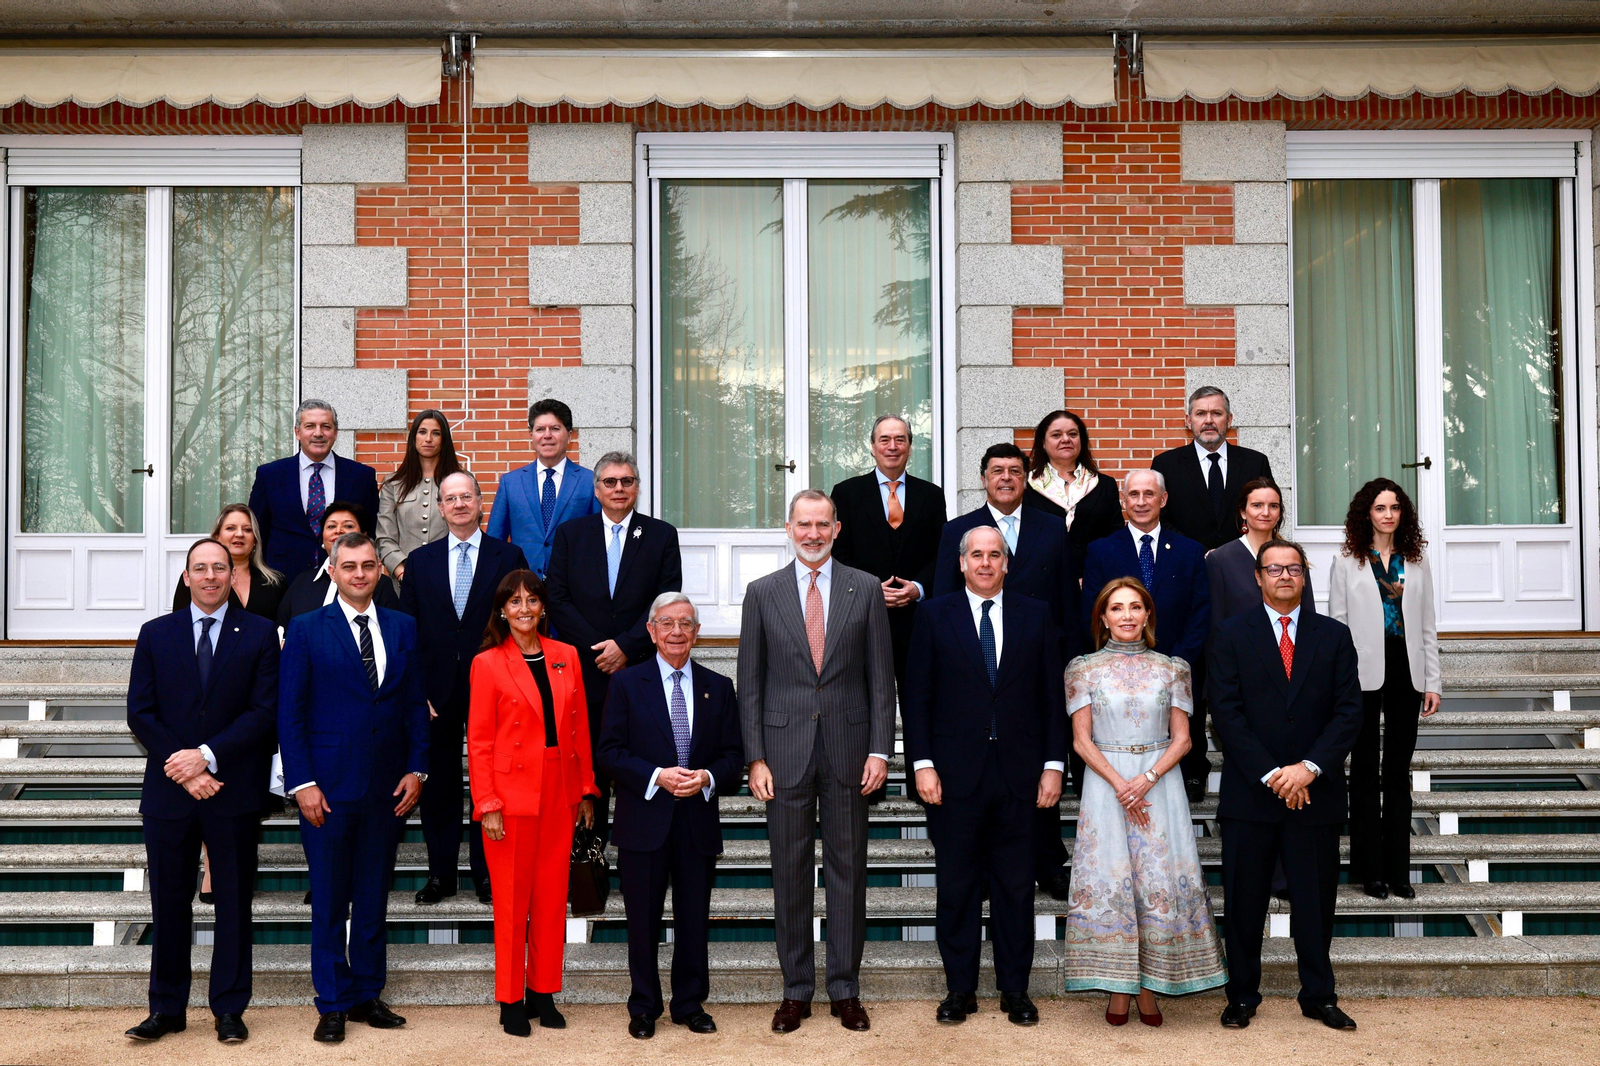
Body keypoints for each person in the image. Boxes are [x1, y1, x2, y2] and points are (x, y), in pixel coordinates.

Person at [738, 490, 896, 1034]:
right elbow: (749, 683)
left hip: (851, 752)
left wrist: (880, 749)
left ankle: (845, 990)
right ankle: (796, 990)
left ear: (836, 529)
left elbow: (881, 678)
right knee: (790, 872)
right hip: (783, 754)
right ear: (789, 529)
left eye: (821, 524)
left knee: (848, 872)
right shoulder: (762, 592)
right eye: (803, 524)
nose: (812, 533)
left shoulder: (865, 588)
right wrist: (755, 757)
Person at [902, 526, 1065, 1027]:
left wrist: (1054, 765)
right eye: (977, 554)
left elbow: (1051, 697)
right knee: (957, 887)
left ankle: (1015, 990)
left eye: (995, 554)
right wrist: (922, 764)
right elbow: (917, 696)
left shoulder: (1036, 614)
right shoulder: (933, 615)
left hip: (1021, 775)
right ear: (961, 562)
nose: (986, 563)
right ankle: (960, 990)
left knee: (1016, 888)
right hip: (954, 777)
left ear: (1007, 563)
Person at [124, 538, 280, 1045]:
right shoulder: (156, 633)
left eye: (219, 568)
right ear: (186, 577)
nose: (211, 576)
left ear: (233, 576)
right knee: (169, 904)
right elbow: (140, 712)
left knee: (233, 904)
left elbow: (264, 711)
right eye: (200, 568)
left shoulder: (259, 633)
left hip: (232, 788)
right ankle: (166, 1009)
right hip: (170, 791)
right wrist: (186, 767)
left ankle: (229, 1009)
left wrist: (207, 755)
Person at [278, 533, 429, 1044]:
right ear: (333, 570)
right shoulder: (306, 629)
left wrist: (418, 770)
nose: (360, 574)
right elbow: (290, 713)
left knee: (371, 896)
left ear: (380, 571)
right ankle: (332, 1002)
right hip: (326, 789)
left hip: (387, 788)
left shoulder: (403, 627)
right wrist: (302, 782)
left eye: (368, 565)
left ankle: (366, 992)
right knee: (328, 900)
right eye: (349, 566)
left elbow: (415, 705)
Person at [1208, 539, 1364, 1032]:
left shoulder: (1334, 636)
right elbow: (1225, 714)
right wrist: (1275, 774)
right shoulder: (1230, 634)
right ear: (1257, 577)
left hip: (1315, 794)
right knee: (1243, 903)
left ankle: (1318, 995)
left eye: (1293, 569)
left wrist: (1309, 768)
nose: (1284, 577)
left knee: (1315, 904)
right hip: (1251, 794)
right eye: (1274, 569)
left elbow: (1349, 712)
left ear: (1304, 577)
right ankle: (1241, 996)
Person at [1062, 578, 1227, 1025]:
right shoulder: (1082, 669)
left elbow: (1184, 739)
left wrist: (1147, 779)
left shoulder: (1173, 668)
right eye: (1117, 608)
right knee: (1112, 877)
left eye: (1136, 607)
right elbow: (1080, 741)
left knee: (1159, 879)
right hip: (1106, 785)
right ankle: (1119, 989)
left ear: (1148, 615)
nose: (1127, 616)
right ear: (1102, 618)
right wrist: (1122, 785)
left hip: (1161, 785)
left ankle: (1152, 986)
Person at [597, 592, 744, 1040]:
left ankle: (689, 1003)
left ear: (697, 632)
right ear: (651, 630)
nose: (676, 632)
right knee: (642, 920)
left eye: (685, 624)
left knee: (693, 918)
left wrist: (706, 777)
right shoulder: (626, 684)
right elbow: (609, 753)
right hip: (644, 820)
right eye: (667, 623)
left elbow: (733, 756)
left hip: (697, 821)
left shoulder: (719, 687)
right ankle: (644, 1006)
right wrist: (657, 776)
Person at [935, 441, 1079, 898]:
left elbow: (1067, 601)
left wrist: (1069, 662)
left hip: (1035, 668)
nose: (1006, 478)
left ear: (1026, 478)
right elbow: (943, 601)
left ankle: (1048, 862)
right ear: (983, 478)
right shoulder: (957, 530)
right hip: (978, 670)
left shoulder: (1052, 527)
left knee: (1036, 768)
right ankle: (981, 867)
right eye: (997, 470)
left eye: (1015, 470)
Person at [467, 570, 598, 1037]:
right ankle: (510, 998)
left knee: (550, 899)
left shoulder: (567, 655)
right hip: (509, 795)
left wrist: (586, 789)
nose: (524, 609)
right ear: (502, 611)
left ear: (544, 607)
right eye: (515, 601)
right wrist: (487, 802)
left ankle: (543, 992)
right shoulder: (487, 663)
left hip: (559, 789)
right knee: (511, 902)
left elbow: (579, 727)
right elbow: (479, 741)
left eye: (532, 600)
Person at [399, 471, 529, 907]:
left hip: (494, 687)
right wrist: (416, 691)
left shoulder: (508, 556)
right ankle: (442, 875)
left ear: (480, 503)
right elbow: (407, 632)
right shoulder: (420, 561)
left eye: (466, 497)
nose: (459, 504)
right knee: (439, 785)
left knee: (490, 782)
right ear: (440, 508)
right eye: (450, 498)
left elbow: (520, 623)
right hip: (435, 693)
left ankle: (486, 873)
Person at [546, 451, 683, 845]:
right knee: (589, 767)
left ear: (637, 487)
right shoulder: (571, 534)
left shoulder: (661, 535)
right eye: (610, 481)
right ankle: (592, 859)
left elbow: (666, 599)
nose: (619, 488)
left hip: (639, 668)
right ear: (597, 489)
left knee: (640, 764)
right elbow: (557, 597)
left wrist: (624, 646)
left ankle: (641, 855)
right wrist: (599, 649)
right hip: (585, 671)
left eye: (627, 481)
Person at [1327, 478, 1441, 901]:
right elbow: (1337, 625)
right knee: (1362, 771)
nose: (1388, 515)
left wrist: (1432, 681)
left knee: (1396, 771)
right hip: (1360, 673)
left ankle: (1398, 871)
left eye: (1395, 507)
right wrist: (1337, 682)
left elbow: (1427, 623)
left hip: (1407, 671)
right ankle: (1369, 872)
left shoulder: (1417, 560)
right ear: (1366, 513)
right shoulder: (1346, 561)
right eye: (1380, 508)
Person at [1080, 469, 1211, 802]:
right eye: (1133, 495)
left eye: (1149, 494)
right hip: (1117, 671)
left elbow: (1201, 611)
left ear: (1163, 500)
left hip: (1177, 662)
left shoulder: (1190, 550)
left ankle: (1190, 778)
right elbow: (1093, 610)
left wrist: (1178, 661)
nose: (1141, 502)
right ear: (1123, 501)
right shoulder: (1101, 550)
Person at [829, 414, 948, 695]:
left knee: (918, 702)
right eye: (884, 440)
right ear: (873, 447)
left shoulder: (931, 495)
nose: (892, 446)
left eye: (900, 439)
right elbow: (838, 553)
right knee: (866, 703)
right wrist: (869, 588)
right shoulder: (846, 493)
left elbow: (941, 552)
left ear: (909, 447)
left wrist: (918, 588)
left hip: (917, 620)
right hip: (863, 618)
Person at [249, 399, 380, 576]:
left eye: (326, 426)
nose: (318, 433)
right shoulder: (270, 475)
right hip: (283, 579)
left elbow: (370, 532)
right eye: (310, 426)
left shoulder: (362, 476)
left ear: (335, 433)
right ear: (297, 432)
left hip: (344, 577)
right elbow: (257, 531)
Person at [1149, 386, 1275, 553]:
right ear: (1188, 420)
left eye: (1216, 413)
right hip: (1186, 561)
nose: (1208, 421)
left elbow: (1269, 514)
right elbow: (1158, 519)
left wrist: (1237, 554)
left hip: (1243, 560)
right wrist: (1199, 552)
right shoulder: (1166, 465)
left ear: (1229, 419)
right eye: (1200, 414)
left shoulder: (1255, 463)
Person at [486, 398, 602, 577]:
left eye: (555, 428)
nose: (547, 435)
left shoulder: (589, 481)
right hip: (524, 585)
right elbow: (495, 542)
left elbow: (599, 539)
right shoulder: (510, 482)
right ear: (531, 435)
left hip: (574, 584)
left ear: (570, 435)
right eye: (540, 429)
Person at [1207, 478, 1316, 622]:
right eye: (1257, 505)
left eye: (1273, 506)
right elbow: (1215, 621)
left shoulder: (1293, 556)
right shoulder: (1220, 560)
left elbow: (1309, 616)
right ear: (1243, 512)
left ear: (1279, 513)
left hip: (1288, 637)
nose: (1266, 512)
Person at [275, 502, 400, 625]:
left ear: (363, 535)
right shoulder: (302, 582)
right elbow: (283, 628)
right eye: (331, 526)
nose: (338, 531)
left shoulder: (379, 584)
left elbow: (391, 628)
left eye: (348, 526)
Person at [377, 408, 463, 582]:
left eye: (436, 433)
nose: (428, 439)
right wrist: (402, 573)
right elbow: (384, 538)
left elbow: (468, 532)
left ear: (444, 439)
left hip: (450, 577)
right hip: (404, 581)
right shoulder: (393, 484)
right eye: (422, 432)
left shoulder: (461, 482)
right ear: (413, 437)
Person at [1023, 410, 1123, 553]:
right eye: (1056, 435)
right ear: (1043, 443)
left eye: (1073, 434)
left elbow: (1115, 536)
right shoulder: (1026, 485)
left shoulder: (1104, 485)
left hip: (1093, 566)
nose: (1065, 439)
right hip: (1042, 567)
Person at [171, 504, 286, 623]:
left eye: (247, 529)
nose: (239, 534)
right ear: (216, 536)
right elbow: (179, 624)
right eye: (231, 528)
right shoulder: (196, 578)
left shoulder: (275, 582)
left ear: (255, 539)